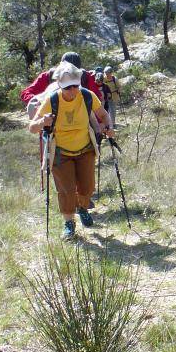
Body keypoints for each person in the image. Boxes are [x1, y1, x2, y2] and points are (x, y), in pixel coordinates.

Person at [28, 62, 114, 239]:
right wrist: (42, 122)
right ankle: (69, 223)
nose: (72, 90)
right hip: (61, 152)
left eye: (75, 86)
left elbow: (103, 115)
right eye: (68, 87)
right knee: (66, 189)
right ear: (60, 85)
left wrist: (109, 126)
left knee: (87, 187)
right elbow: (32, 128)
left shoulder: (87, 96)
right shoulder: (51, 100)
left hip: (85, 149)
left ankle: (82, 208)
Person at [21, 51, 102, 119]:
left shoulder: (87, 77)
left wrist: (100, 123)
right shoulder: (48, 77)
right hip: (52, 123)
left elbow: (97, 101)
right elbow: (26, 93)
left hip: (80, 121)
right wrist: (40, 102)